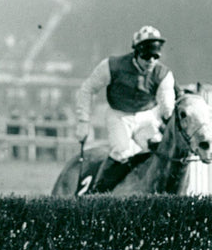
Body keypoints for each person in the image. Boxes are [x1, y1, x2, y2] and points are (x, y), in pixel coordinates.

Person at [75, 25, 176, 192]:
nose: (151, 61)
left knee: (157, 150)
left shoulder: (163, 74)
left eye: (155, 56)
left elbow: (167, 106)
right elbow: (87, 89)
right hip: (119, 115)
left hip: (147, 115)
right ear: (137, 52)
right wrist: (83, 121)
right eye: (146, 56)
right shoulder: (112, 65)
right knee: (121, 152)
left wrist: (167, 121)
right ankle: (98, 192)